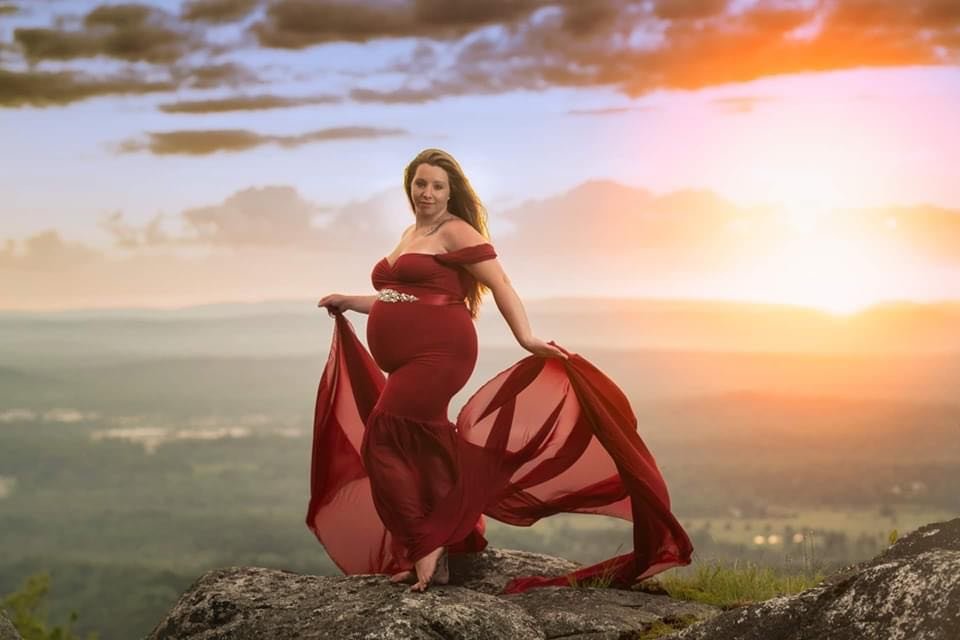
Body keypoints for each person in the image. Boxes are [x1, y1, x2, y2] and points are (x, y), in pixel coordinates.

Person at [312, 148, 692, 593]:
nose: (427, 193)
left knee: (383, 434)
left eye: (437, 186)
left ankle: (424, 545)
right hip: (408, 359)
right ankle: (447, 544)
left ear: (451, 192)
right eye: (420, 184)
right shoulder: (409, 232)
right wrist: (350, 301)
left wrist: (526, 338)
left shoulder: (455, 231)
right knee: (428, 446)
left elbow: (500, 283)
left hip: (441, 353)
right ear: (409, 186)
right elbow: (398, 298)